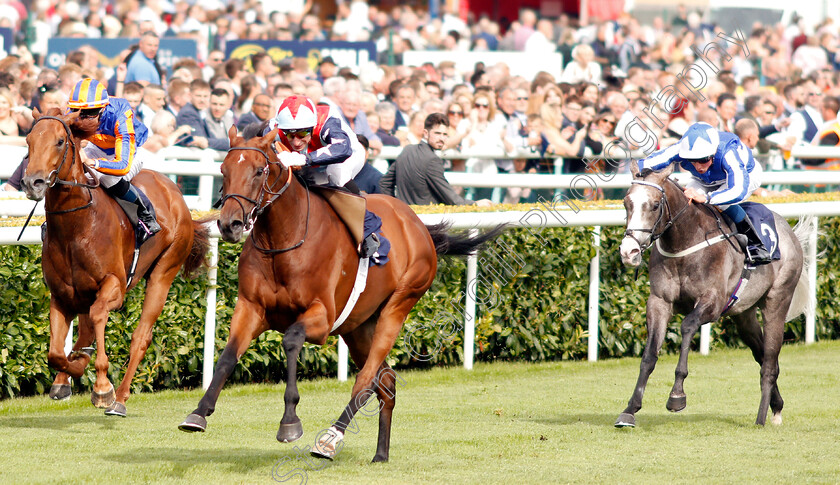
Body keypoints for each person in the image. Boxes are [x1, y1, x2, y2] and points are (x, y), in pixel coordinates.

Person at [637, 122, 771, 265]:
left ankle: (756, 245)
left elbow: (737, 190)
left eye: (703, 160)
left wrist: (708, 197)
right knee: (686, 202)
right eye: (692, 161)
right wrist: (639, 175)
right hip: (705, 180)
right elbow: (647, 163)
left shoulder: (729, 152)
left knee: (721, 203)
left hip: (746, 177)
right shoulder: (682, 148)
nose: (698, 166)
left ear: (713, 153)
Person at [269, 95, 381, 258]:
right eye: (290, 134)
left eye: (302, 133)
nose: (296, 141)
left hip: (348, 153)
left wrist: (305, 158)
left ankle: (367, 228)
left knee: (336, 174)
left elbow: (343, 149)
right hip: (312, 160)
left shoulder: (328, 119)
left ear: (313, 126)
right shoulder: (275, 126)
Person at [69, 78, 161, 241]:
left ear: (103, 108)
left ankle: (145, 214)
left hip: (129, 152)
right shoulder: (74, 113)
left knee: (108, 177)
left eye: (91, 113)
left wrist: (91, 163)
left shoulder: (120, 113)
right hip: (97, 147)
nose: (83, 118)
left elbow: (122, 166)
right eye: (79, 112)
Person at [379, 112, 492, 207]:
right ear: (426, 133)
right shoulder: (432, 159)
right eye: (437, 133)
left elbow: (384, 183)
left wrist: (395, 208)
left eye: (445, 134)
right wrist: (475, 204)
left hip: (403, 218)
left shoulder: (407, 150)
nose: (441, 138)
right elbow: (451, 199)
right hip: (425, 223)